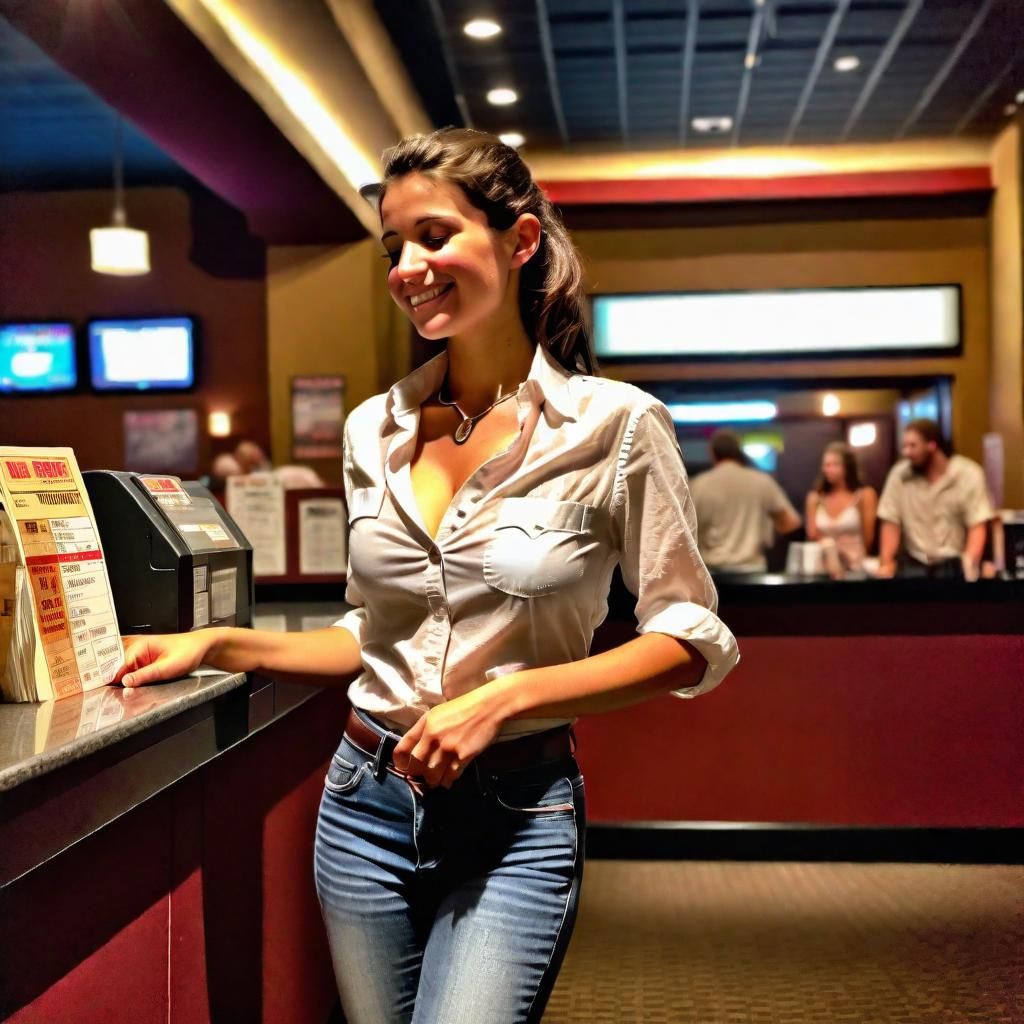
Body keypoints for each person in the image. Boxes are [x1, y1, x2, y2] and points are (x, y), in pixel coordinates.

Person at [114, 127, 739, 1024]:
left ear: (521, 243)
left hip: (518, 815)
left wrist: (501, 701)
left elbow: (688, 640)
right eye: (393, 247)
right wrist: (220, 642)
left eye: (436, 235)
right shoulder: (374, 427)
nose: (409, 266)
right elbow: (372, 634)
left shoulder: (618, 428)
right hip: (362, 804)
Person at [876, 418, 994, 579]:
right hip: (914, 564)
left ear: (931, 445)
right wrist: (886, 564)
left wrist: (970, 566)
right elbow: (890, 521)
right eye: (904, 447)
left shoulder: (967, 473)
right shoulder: (899, 475)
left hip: (952, 564)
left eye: (912, 446)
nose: (907, 453)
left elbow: (977, 524)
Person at [690, 428, 801, 573]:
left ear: (712, 453)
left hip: (712, 574)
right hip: (752, 571)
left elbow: (686, 531)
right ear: (738, 451)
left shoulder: (698, 484)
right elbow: (791, 522)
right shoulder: (761, 481)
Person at [805, 441, 878, 573]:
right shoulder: (815, 497)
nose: (830, 469)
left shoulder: (864, 495)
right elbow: (812, 535)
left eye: (835, 465)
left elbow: (868, 538)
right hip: (823, 567)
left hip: (855, 566)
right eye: (827, 465)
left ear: (847, 467)